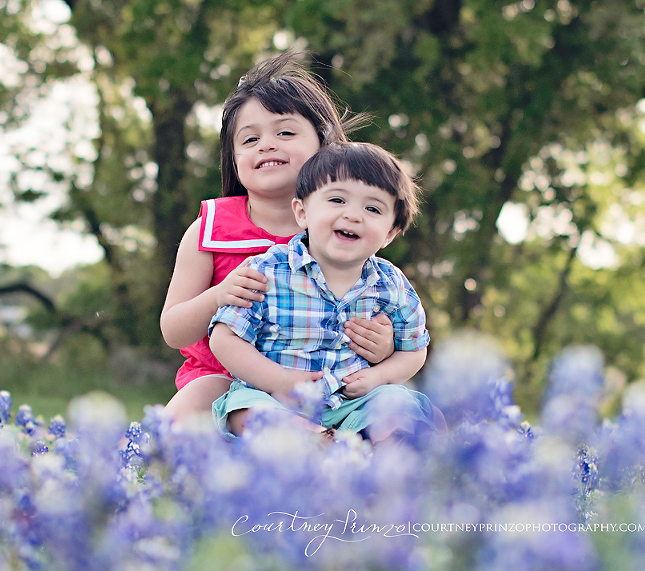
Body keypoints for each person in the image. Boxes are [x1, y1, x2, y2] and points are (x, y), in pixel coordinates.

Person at [160, 51, 395, 425]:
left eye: (284, 132)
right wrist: (219, 296)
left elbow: (380, 306)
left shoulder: (346, 229)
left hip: (323, 384)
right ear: (232, 156)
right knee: (178, 418)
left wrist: (383, 346)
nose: (266, 144)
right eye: (250, 139)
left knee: (397, 410)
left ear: (323, 143)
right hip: (227, 381)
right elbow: (173, 330)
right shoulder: (210, 231)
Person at [209, 142, 438, 445]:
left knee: (399, 404)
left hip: (355, 405)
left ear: (390, 232)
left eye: (372, 208)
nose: (354, 215)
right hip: (277, 398)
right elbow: (224, 339)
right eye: (337, 200)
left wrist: (379, 377)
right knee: (245, 409)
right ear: (302, 212)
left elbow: (413, 349)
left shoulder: (391, 284)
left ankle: (385, 460)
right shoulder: (267, 271)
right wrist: (279, 381)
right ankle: (314, 443)